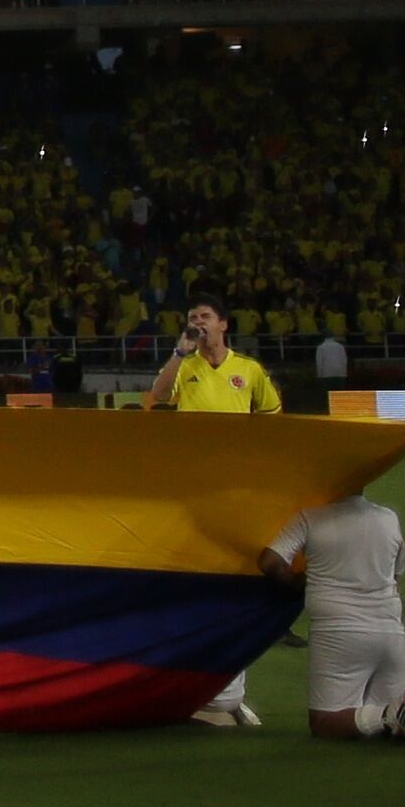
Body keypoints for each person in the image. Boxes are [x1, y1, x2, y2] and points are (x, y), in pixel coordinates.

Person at [159, 303, 289, 728]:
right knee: (196, 584)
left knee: (235, 579)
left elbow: (271, 419)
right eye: (192, 317)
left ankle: (232, 695)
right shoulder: (185, 364)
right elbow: (157, 397)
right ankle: (206, 694)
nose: (196, 323)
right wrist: (179, 354)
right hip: (191, 489)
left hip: (235, 491)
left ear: (223, 325)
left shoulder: (248, 370)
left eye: (204, 317)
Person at [261, 485, 405, 746]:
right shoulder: (388, 518)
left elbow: (270, 562)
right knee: (376, 730)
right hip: (391, 634)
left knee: (325, 723)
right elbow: (395, 574)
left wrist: (298, 582)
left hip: (339, 633)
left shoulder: (310, 517)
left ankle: (393, 714)